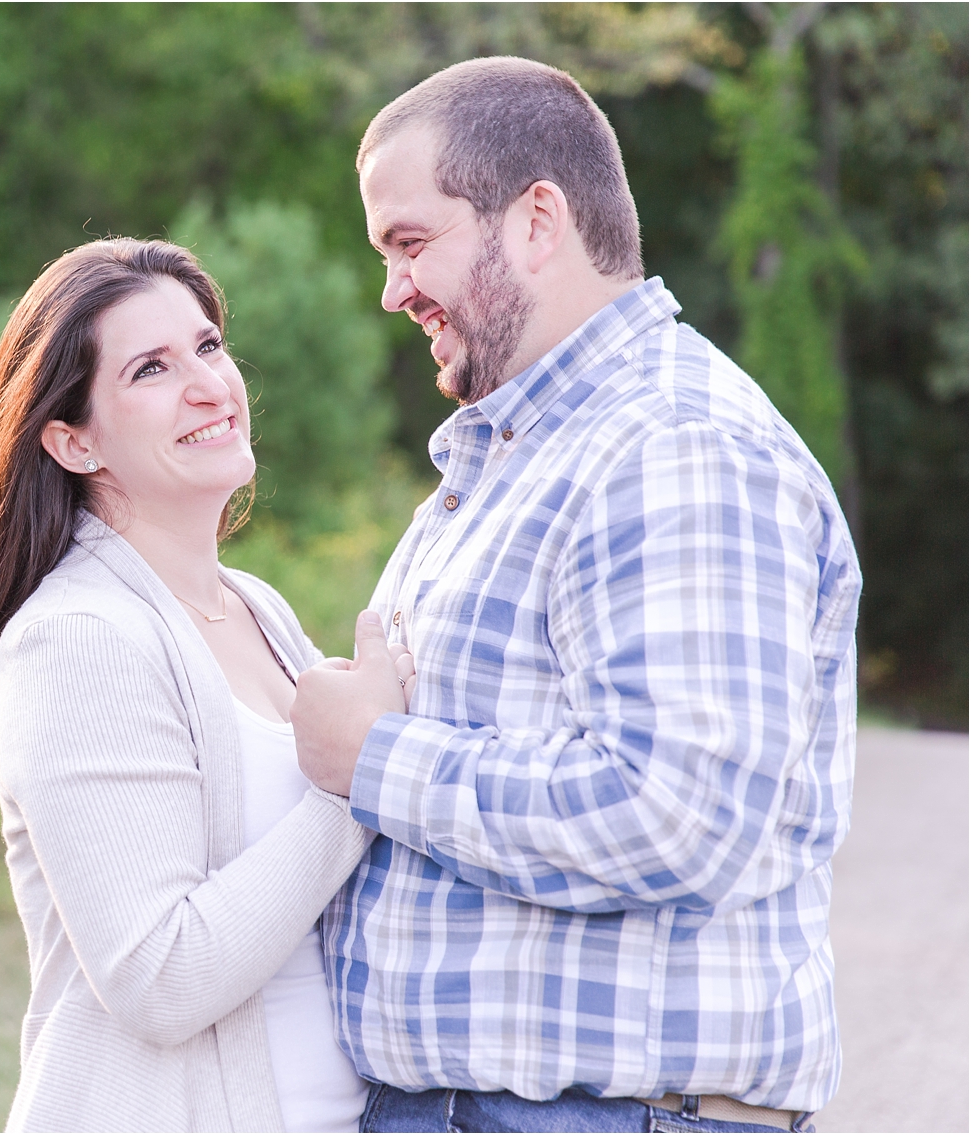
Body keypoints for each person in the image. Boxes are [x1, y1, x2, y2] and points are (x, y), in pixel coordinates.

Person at [290, 57, 860, 1134]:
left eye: (409, 243)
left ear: (536, 219)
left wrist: (371, 757)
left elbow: (674, 813)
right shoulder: (522, 454)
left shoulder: (672, 445)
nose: (390, 290)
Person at [0, 238, 387, 1132]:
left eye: (209, 347)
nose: (210, 384)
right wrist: (358, 780)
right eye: (151, 368)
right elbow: (162, 976)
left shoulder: (255, 607)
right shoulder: (78, 639)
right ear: (72, 439)